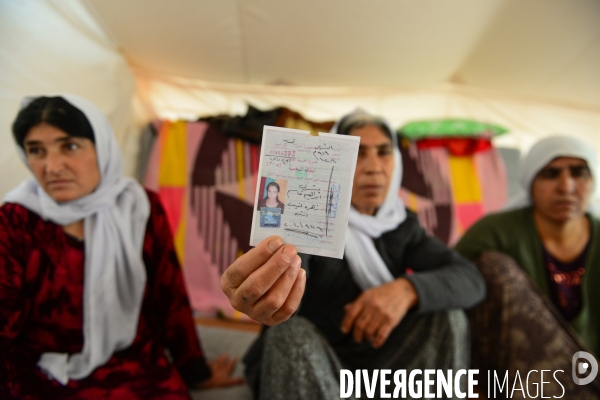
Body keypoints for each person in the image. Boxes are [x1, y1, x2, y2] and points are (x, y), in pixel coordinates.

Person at [223, 110, 486, 400]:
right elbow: (283, 289)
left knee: (448, 317)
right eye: (359, 153)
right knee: (291, 335)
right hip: (315, 365)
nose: (374, 168)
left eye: (384, 152)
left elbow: (470, 279)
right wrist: (262, 288)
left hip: (379, 366)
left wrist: (406, 289)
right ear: (337, 160)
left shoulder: (401, 226)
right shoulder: (309, 217)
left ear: (396, 162)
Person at [0, 95, 243, 399]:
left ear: (101, 148)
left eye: (69, 146)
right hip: (44, 370)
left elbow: (169, 296)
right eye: (36, 150)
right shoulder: (15, 219)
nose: (52, 166)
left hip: (132, 360)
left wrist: (195, 370)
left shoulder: (138, 208)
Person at [455, 136, 600, 397]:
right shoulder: (496, 232)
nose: (566, 186)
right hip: (519, 379)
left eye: (579, 173)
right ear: (530, 182)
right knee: (491, 267)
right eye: (550, 174)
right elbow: (449, 283)